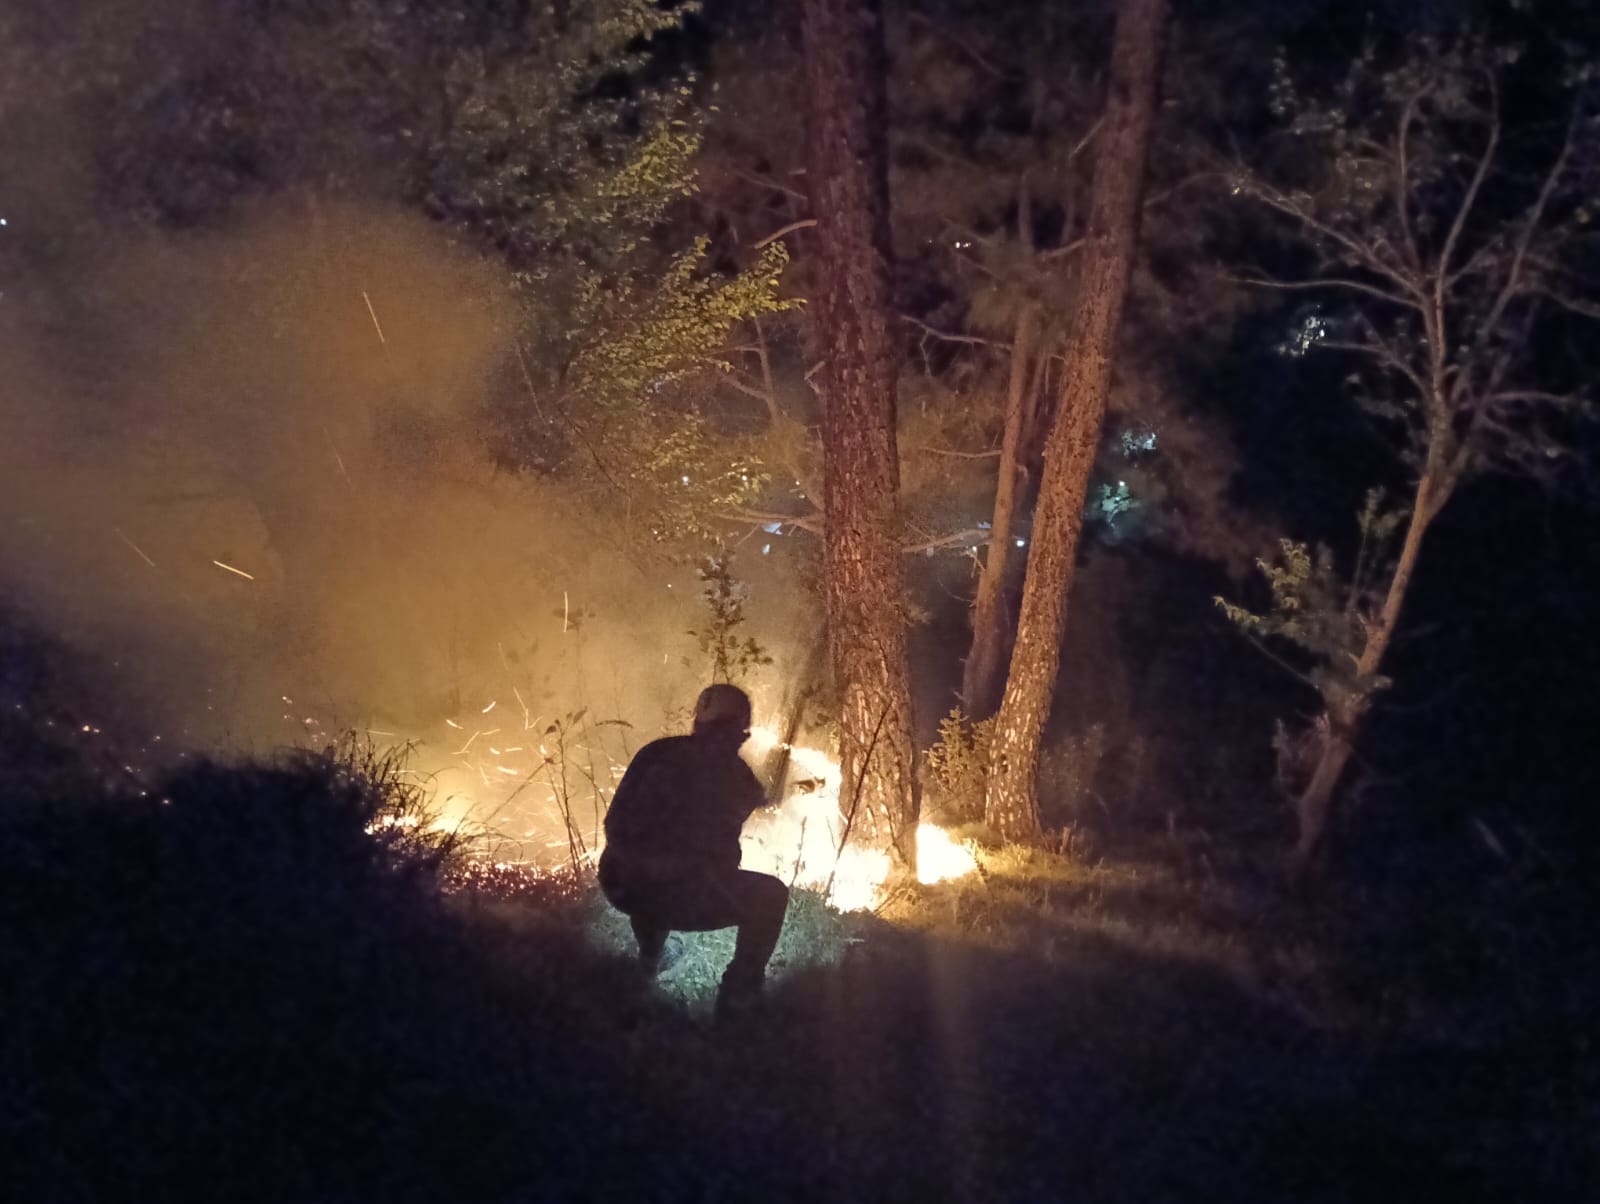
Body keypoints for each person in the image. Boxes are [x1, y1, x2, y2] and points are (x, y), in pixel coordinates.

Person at [598, 683, 789, 1020]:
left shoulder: (657, 753)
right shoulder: (731, 773)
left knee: (655, 890)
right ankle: (739, 998)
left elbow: (616, 825)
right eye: (735, 732)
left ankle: (647, 967)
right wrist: (659, 865)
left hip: (625, 885)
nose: (736, 740)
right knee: (770, 896)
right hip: (674, 890)